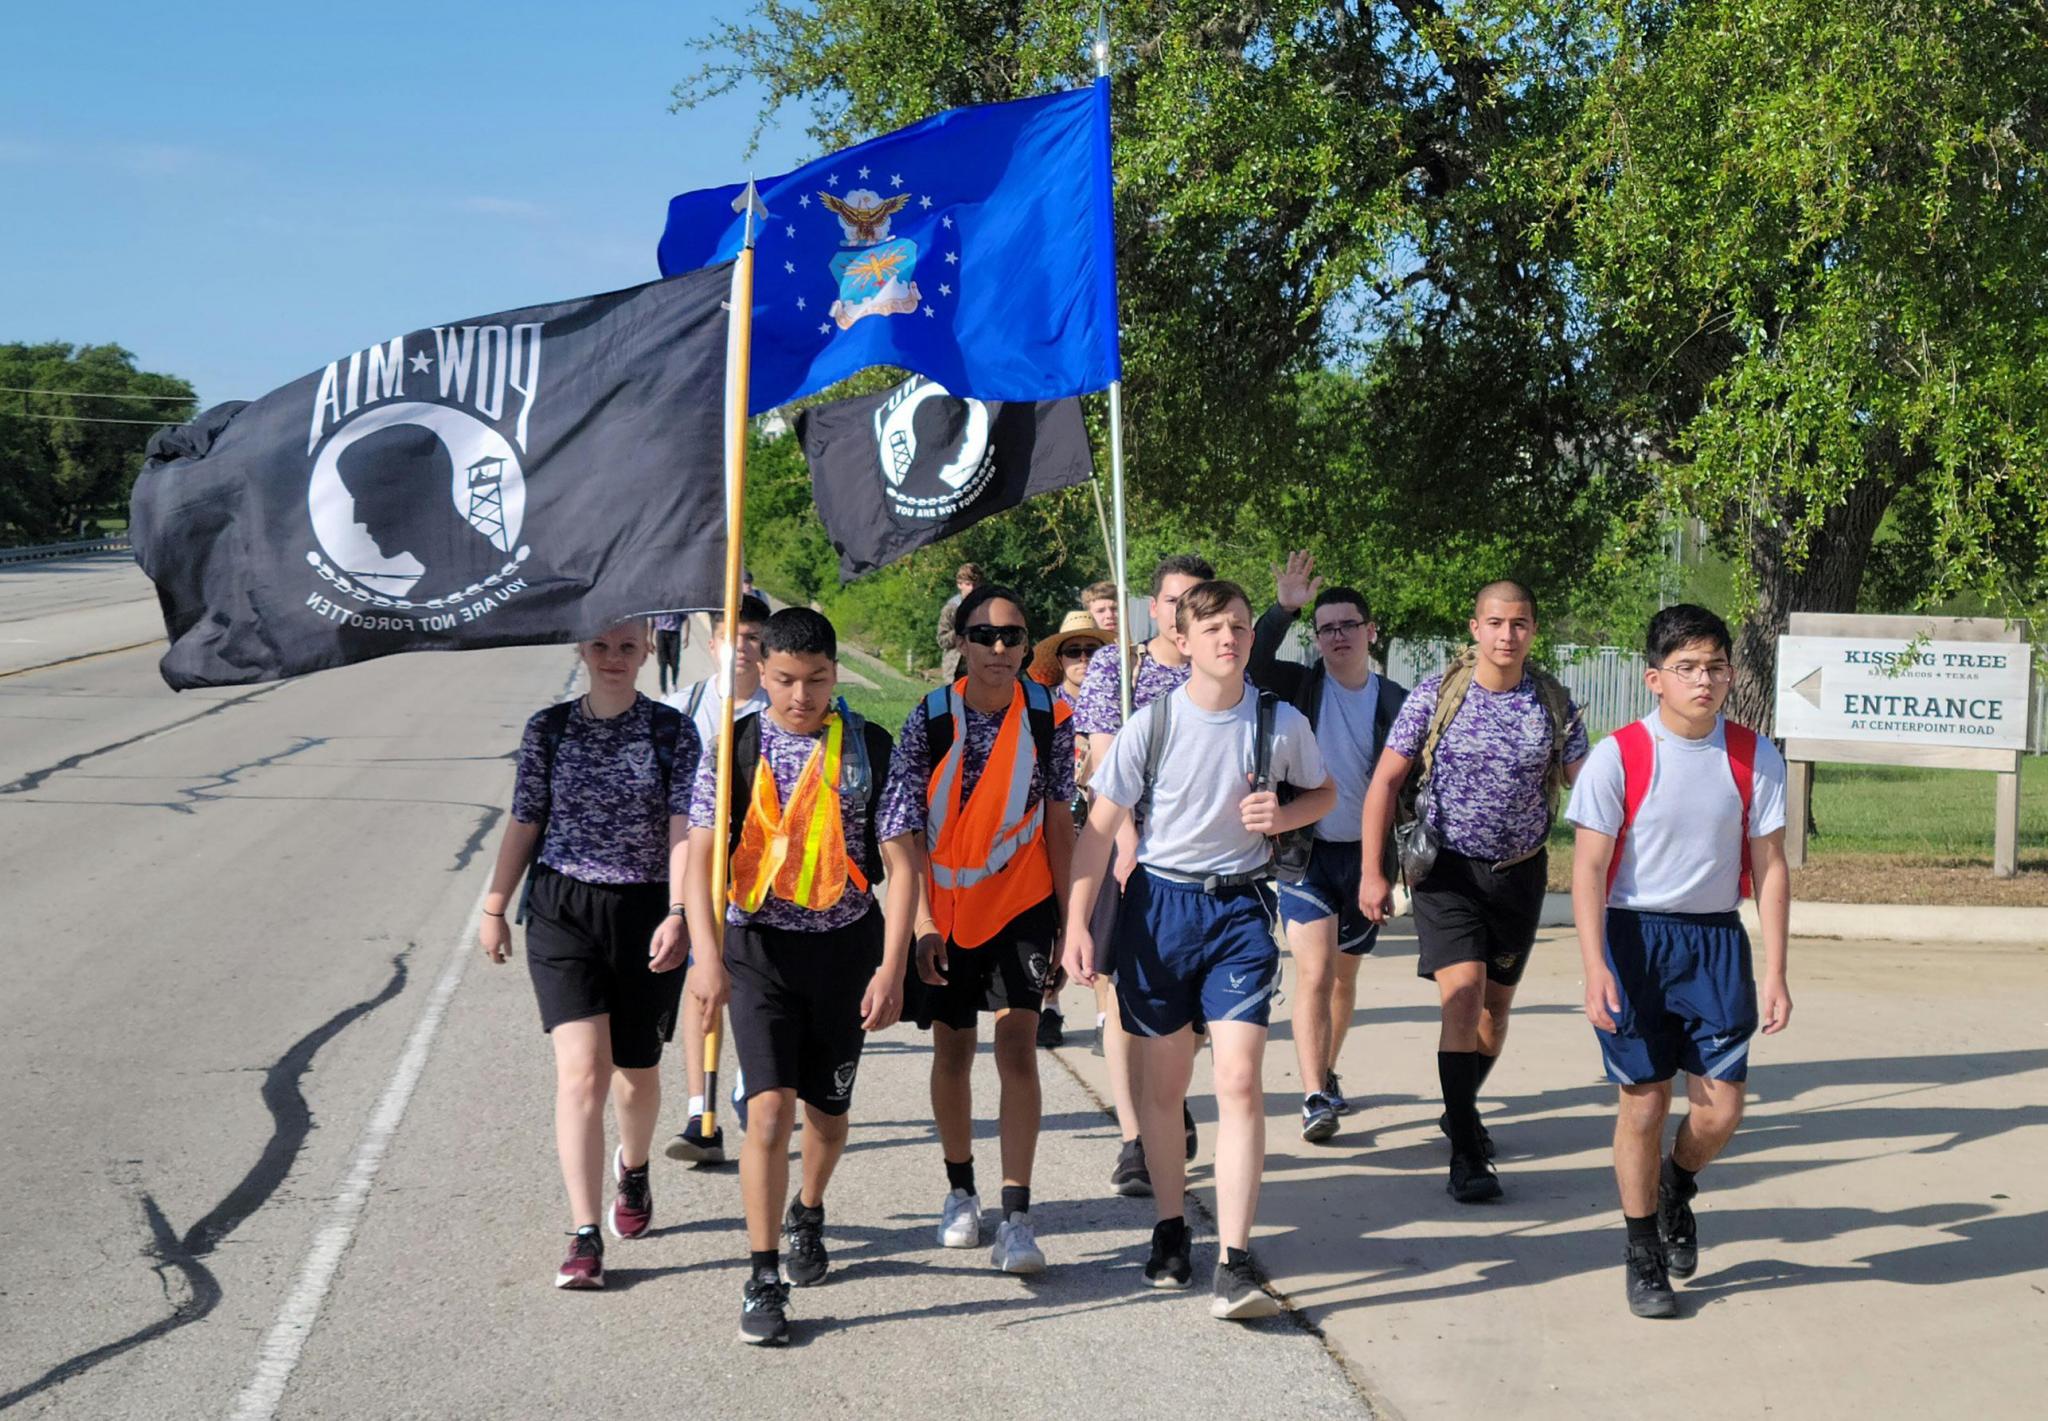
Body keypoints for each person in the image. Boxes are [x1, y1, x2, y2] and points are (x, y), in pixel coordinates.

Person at [1064, 579, 1332, 1319]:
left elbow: (1326, 793)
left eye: (1241, 627)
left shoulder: (1280, 722)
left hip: (1240, 910)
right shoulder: (1154, 723)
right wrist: (1077, 924)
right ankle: (1170, 1225)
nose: (1229, 638)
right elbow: (1095, 832)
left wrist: (1282, 812)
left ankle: (1236, 1259)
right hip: (1159, 908)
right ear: (1184, 639)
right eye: (1213, 627)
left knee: (1240, 1080)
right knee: (1164, 1086)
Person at [680, 608, 912, 1346]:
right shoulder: (734, 745)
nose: (800, 695)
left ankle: (808, 1208)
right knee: (769, 1112)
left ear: (835, 673)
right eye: (784, 679)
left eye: (815, 679)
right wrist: (707, 954)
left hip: (844, 950)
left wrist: (893, 965)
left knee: (828, 1117)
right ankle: (762, 1273)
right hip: (758, 949)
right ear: (761, 671)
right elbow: (698, 858)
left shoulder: (870, 749)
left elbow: (904, 867)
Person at [1566, 604, 1792, 1318]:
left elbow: (1772, 864)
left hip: (1715, 941)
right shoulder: (1619, 754)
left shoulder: (1755, 755)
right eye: (1688, 667)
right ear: (1654, 678)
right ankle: (1643, 1255)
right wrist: (1595, 963)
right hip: (1635, 939)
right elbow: (1589, 868)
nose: (1705, 679)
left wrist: (1778, 968)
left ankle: (1676, 1183)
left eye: (1716, 665)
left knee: (1721, 1109)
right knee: (1645, 1101)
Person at [478, 619, 698, 1290]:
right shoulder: (548, 729)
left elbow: (685, 828)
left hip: (645, 912)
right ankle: (583, 1232)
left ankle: (632, 1168)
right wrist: (494, 904)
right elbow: (526, 817)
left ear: (647, 652)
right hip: (562, 909)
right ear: (581, 648)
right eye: (601, 645)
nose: (613, 658)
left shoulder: (670, 732)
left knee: (635, 1072)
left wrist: (681, 912)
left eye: (627, 647)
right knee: (581, 1074)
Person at [1359, 581, 1589, 1203]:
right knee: (1462, 1001)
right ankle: (1465, 1151)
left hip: (1521, 873)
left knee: (1494, 1010)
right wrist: (1372, 872)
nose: (1506, 635)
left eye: (1519, 624)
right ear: (1474, 628)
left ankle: (1459, 1105)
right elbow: (1384, 784)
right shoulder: (1435, 698)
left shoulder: (1556, 705)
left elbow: (1589, 789)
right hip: (1447, 873)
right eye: (1495, 622)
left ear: (1533, 631)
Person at [876, 586, 1077, 1273]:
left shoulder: (1050, 714)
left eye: (1013, 636)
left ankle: (1017, 1217)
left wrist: (1068, 922)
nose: (1000, 648)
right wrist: (923, 922)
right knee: (953, 1048)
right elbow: (899, 830)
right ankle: (960, 1192)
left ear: (1028, 644)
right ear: (960, 642)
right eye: (985, 635)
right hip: (946, 913)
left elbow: (1058, 820)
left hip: (1022, 906)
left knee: (1018, 1048)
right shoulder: (928, 719)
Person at [1248, 552, 1408, 1143]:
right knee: (1313, 972)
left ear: (1371, 631)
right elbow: (1253, 660)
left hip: (1365, 861)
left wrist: (1390, 868)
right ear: (1316, 638)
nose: (1338, 636)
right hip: (1303, 853)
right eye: (1327, 627)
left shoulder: (1398, 700)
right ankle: (1315, 1094)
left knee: (1343, 977)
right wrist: (1284, 608)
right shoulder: (1295, 686)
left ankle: (1328, 1069)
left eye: (1348, 625)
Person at [1071, 552, 1214, 1195]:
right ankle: (1135, 1136)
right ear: (1152, 608)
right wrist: (1127, 844)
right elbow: (1105, 766)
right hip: (1130, 857)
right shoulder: (1117, 669)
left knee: (1186, 1009)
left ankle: (1168, 1099)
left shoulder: (1221, 669)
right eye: (1175, 602)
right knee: (1127, 998)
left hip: (1204, 865)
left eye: (1199, 603)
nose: (1186, 616)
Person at [662, 591, 771, 1165]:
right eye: (733, 638)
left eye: (754, 639)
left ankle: (747, 1081)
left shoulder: (787, 708)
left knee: (756, 993)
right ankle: (699, 1112)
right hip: (702, 871)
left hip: (767, 876)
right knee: (703, 985)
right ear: (713, 644)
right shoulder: (681, 708)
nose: (743, 650)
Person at [1027, 609, 1112, 1049]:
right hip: (1055, 823)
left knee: (1099, 922)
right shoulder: (1044, 708)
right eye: (1073, 651)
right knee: (1054, 920)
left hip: (1101, 824)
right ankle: (1050, 1008)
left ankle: (1103, 1016)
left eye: (1091, 650)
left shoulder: (1120, 704)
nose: (1083, 658)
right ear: (1060, 660)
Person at [936, 563, 984, 681]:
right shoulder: (951, 609)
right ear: (959, 585)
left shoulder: (986, 608)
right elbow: (942, 641)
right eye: (967, 584)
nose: (971, 588)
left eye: (974, 584)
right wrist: (960, 630)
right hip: (955, 668)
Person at [652, 613, 687, 696]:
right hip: (661, 633)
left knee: (675, 663)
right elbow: (652, 620)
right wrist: (649, 639)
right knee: (662, 664)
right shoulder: (659, 603)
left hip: (675, 633)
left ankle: (674, 683)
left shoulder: (677, 603)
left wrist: (687, 636)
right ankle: (663, 691)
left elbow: (685, 617)